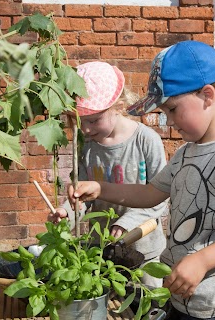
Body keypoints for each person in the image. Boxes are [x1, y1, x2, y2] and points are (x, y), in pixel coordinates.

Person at [66, 41, 215, 320]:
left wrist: (202, 260)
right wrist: (101, 188)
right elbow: (151, 193)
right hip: (179, 291)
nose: (169, 121)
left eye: (172, 109)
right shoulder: (186, 153)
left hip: (213, 302)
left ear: (207, 96)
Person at [49, 61, 168, 288]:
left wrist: (127, 223)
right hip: (102, 251)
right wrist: (66, 212)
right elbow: (82, 199)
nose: (85, 129)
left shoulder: (146, 140)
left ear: (119, 106)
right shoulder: (86, 146)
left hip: (145, 251)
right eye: (79, 121)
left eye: (93, 120)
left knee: (148, 305)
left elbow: (160, 197)